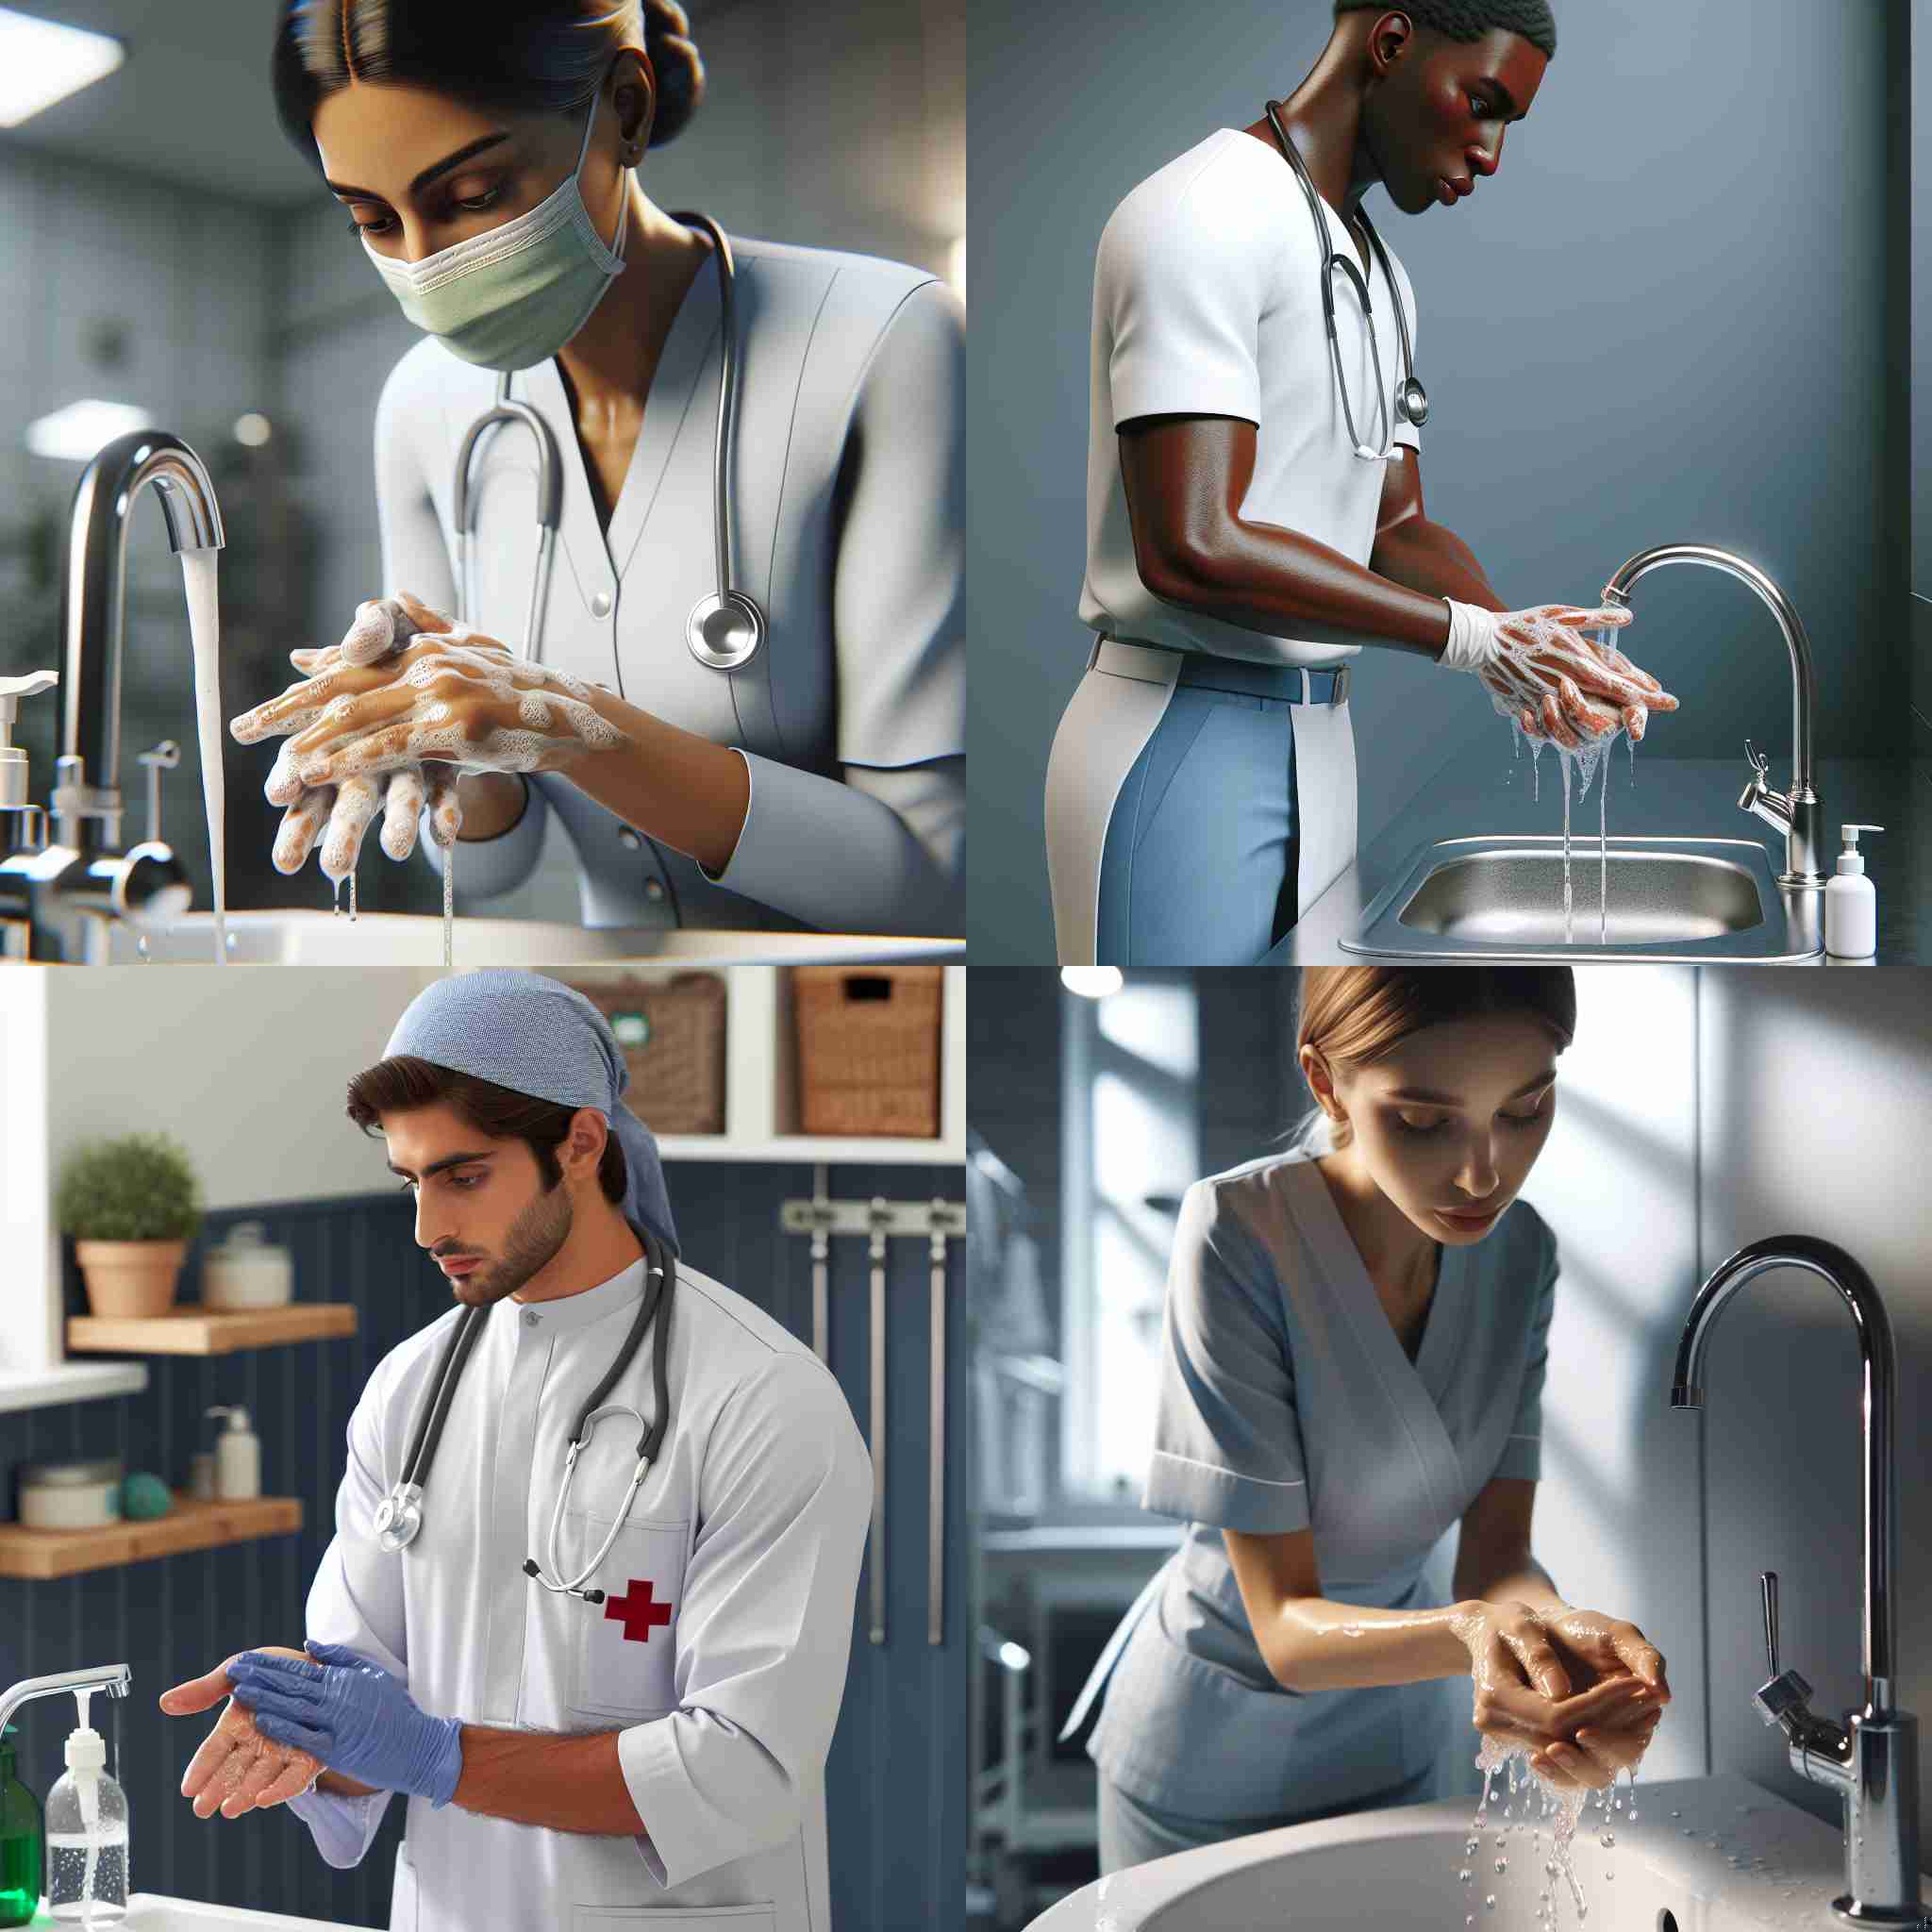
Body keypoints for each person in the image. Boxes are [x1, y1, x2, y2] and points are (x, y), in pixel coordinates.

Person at [158, 971, 871, 1930]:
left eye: (463, 1174)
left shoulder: (762, 1397)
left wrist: (437, 1755)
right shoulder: (408, 1391)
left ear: (580, 1142)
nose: (427, 1227)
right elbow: (368, 1684)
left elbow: (744, 1765)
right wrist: (302, 1718)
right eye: (411, 1181)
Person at [234, 0, 963, 938]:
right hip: (618, 984)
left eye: (471, 196)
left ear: (624, 108)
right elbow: (493, 867)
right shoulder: (423, 406)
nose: (425, 265)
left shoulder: (883, 340)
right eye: (373, 220)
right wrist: (433, 750)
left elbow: (931, 882)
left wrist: (567, 725)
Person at [1042, 0, 1678, 965]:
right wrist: (1470, 641)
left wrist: (1527, 647)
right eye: (1482, 101)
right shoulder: (1197, 214)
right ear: (1388, 43)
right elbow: (1190, 546)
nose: (1491, 152)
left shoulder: (1381, 276)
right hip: (1174, 738)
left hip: (1320, 741)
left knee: (1282, 1074)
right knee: (1171, 1072)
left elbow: (1395, 527)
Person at [1060, 966, 1673, 1874]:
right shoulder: (1240, 1229)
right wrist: (1475, 1635)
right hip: (1213, 1754)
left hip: (1397, 1750)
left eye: (1525, 1109)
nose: (1483, 1172)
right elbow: (1284, 1629)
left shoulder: (1522, 1253)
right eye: (1424, 1121)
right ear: (1325, 1080)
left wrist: (1564, 1651)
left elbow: (1497, 1561)